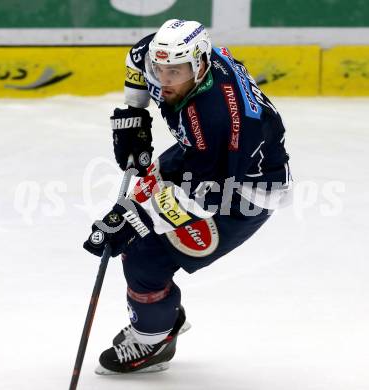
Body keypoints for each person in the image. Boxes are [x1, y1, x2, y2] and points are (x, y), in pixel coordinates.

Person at [83, 19, 292, 375]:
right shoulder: (165, 55)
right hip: (202, 157)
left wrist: (133, 219)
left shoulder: (219, 120)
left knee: (145, 255)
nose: (163, 81)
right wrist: (135, 113)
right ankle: (160, 314)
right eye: (159, 69)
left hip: (240, 191)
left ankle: (154, 339)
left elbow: (200, 194)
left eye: (174, 73)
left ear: (200, 65)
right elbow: (137, 61)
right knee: (139, 211)